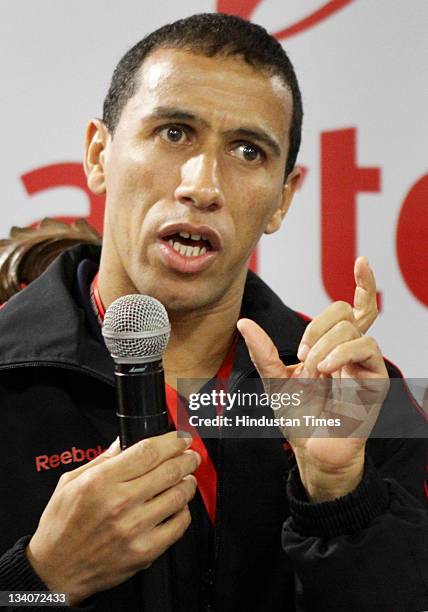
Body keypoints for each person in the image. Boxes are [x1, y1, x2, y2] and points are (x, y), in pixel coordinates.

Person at [0, 13, 426, 612]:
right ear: (99, 154)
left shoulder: (362, 395)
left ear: (281, 198)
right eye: (174, 133)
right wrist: (40, 581)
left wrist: (339, 495)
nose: (203, 185)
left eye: (248, 151)